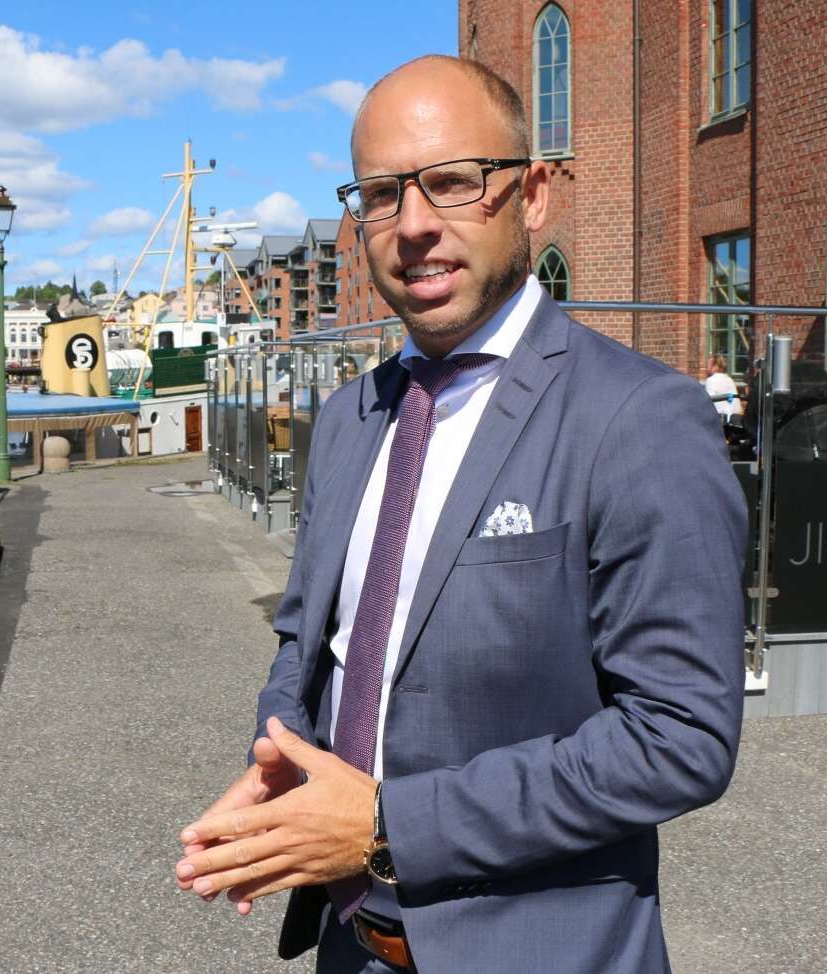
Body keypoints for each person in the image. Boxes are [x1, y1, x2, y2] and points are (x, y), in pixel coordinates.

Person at [175, 55, 747, 974]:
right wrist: (282, 750)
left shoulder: (638, 419)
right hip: (348, 947)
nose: (413, 225)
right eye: (381, 194)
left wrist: (384, 825)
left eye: (452, 182)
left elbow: (678, 738)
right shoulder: (351, 417)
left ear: (532, 195)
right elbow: (307, 640)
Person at [703, 354, 743, 420]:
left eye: (708, 365)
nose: (707, 368)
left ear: (716, 367)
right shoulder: (729, 379)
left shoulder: (711, 380)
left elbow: (709, 404)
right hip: (736, 416)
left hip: (722, 418)